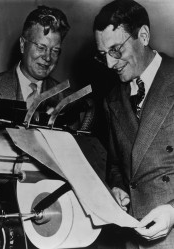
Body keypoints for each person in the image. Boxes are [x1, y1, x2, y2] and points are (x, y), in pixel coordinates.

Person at [93, 0, 174, 248]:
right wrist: (117, 188)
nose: (109, 63)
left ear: (144, 35)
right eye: (103, 55)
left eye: (116, 49)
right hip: (134, 237)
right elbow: (117, 164)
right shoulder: (112, 99)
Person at [0, 5, 70, 118]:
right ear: (22, 44)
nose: (48, 57)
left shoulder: (68, 100)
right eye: (41, 47)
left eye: (55, 50)